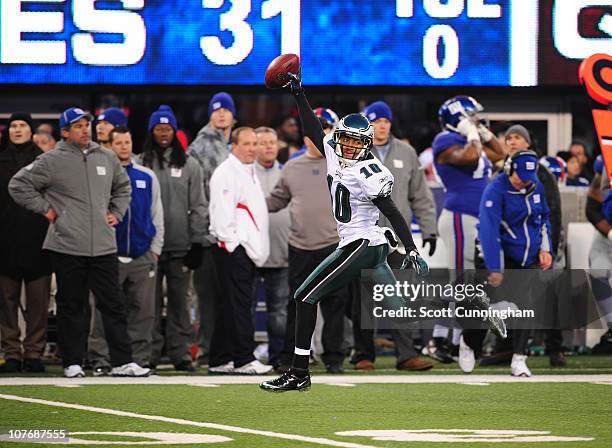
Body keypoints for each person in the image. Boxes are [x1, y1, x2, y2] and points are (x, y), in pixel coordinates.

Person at [260, 73, 429, 393]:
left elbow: (392, 212)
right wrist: (298, 93)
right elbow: (311, 129)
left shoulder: (371, 172)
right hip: (365, 242)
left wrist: (412, 249)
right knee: (402, 312)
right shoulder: (335, 151)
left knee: (304, 297)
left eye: (356, 141)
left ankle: (298, 372)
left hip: (362, 242)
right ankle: (473, 308)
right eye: (346, 139)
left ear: (366, 145)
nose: (349, 145)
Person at [9, 107, 150, 378]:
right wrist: (46, 209)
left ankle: (122, 361)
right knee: (71, 305)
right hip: (66, 244)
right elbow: (18, 185)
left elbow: (123, 187)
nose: (85, 129)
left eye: (87, 124)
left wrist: (117, 212)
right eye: (77, 126)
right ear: (64, 132)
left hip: (103, 245)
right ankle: (72, 362)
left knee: (113, 305)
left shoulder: (107, 157)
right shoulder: (51, 160)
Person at [349, 100, 437, 371]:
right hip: (365, 235)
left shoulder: (407, 152)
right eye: (375, 122)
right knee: (364, 297)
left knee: (402, 295)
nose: (381, 126)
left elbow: (420, 195)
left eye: (385, 121)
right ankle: (363, 354)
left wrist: (429, 229)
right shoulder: (355, 151)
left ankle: (406, 354)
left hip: (397, 239)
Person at [266, 113, 352, 374]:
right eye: (318, 131)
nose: (322, 136)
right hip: (300, 246)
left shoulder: (343, 166)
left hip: (334, 245)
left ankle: (334, 357)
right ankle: (292, 357)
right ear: (306, 137)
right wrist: (244, 203)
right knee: (297, 303)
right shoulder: (292, 166)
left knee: (335, 304)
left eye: (326, 130)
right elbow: (277, 199)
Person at [432, 96, 506, 362]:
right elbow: (472, 158)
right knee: (462, 279)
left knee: (469, 279)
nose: (476, 120)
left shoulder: (470, 139)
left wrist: (483, 132)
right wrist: (472, 133)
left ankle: (453, 339)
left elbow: (500, 154)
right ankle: (443, 339)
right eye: (471, 115)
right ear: (458, 118)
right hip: (459, 216)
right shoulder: (445, 141)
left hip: (475, 217)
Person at [468, 150, 553, 377]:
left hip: (524, 255)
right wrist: (495, 268)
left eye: (528, 177)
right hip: (493, 250)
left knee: (525, 305)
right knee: (484, 304)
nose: (523, 182)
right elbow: (489, 232)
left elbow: (543, 218)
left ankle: (519, 358)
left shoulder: (535, 187)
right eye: (519, 177)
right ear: (509, 170)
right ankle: (469, 342)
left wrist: (545, 248)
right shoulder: (495, 190)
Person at [87, 126, 164, 374]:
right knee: (103, 310)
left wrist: (155, 248)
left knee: (143, 312)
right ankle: (101, 359)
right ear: (109, 145)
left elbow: (157, 214)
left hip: (142, 254)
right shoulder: (100, 174)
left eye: (127, 141)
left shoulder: (146, 175)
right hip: (109, 253)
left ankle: (139, 359)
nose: (124, 146)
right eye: (118, 142)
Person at [139, 105, 206, 372]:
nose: (163, 133)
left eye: (167, 129)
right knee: (148, 306)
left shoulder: (190, 165)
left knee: (180, 305)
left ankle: (181, 353)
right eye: (159, 129)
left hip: (180, 246)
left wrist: (198, 241)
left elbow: (198, 205)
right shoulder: (140, 162)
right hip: (148, 247)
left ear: (174, 131)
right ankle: (150, 353)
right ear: (151, 131)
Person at [208, 127, 272, 375]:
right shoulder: (226, 172)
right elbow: (222, 213)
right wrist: (233, 245)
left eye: (254, 143)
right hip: (233, 249)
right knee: (240, 305)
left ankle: (219, 358)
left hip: (245, 249)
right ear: (233, 145)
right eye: (246, 144)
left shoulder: (248, 170)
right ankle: (244, 358)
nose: (252, 148)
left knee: (229, 306)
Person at [0, 112, 52, 373]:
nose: (17, 130)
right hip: (5, 241)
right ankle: (11, 352)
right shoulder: (0, 160)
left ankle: (33, 352)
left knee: (38, 303)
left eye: (22, 126)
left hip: (38, 240)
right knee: (6, 303)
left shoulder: (44, 162)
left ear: (31, 131)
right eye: (13, 126)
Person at [187, 92, 235, 367]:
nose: (220, 114)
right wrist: (199, 231)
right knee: (208, 298)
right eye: (216, 110)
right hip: (208, 232)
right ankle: (206, 350)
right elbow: (199, 193)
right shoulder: (201, 145)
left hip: (230, 231)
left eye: (225, 110)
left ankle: (223, 350)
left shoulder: (234, 143)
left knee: (226, 297)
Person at [253, 127, 290, 369]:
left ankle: (279, 358)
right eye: (263, 142)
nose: (268, 146)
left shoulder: (288, 173)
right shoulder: (244, 174)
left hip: (281, 252)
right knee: (244, 310)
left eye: (272, 142)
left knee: (279, 312)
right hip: (251, 254)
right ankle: (243, 357)